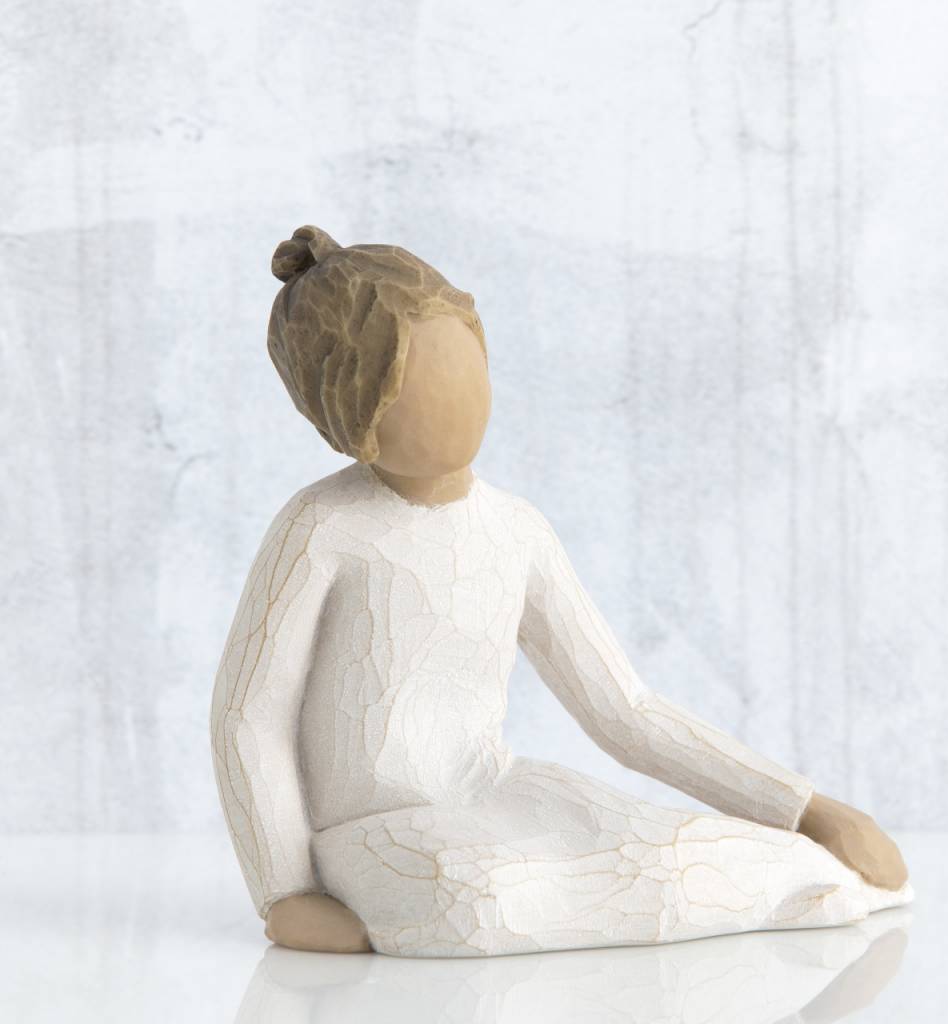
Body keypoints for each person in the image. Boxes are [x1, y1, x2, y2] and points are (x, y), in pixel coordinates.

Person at [210, 226, 911, 957]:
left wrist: (809, 811)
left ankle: (818, 883)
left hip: (500, 795)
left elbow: (625, 711)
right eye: (409, 387)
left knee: (669, 858)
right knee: (476, 900)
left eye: (463, 366)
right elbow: (247, 718)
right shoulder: (321, 529)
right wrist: (286, 891)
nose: (453, 400)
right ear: (346, 414)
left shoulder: (515, 529)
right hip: (373, 831)